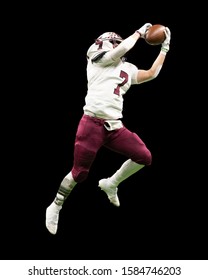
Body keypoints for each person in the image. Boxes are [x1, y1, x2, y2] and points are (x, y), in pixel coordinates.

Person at [45, 23, 171, 234]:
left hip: (115, 126)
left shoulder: (127, 69)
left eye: (116, 42)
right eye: (111, 42)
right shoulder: (96, 57)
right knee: (80, 173)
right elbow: (120, 51)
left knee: (144, 156)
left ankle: (111, 184)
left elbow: (151, 74)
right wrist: (138, 33)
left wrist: (165, 48)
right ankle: (55, 205)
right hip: (91, 124)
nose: (115, 45)